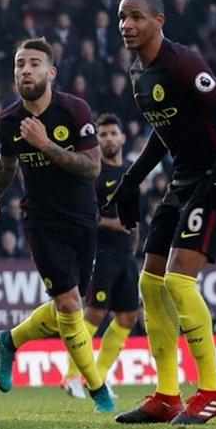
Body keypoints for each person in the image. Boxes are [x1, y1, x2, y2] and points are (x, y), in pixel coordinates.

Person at [109, 0, 216, 425]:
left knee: (179, 280)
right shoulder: (138, 72)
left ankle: (214, 392)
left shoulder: (183, 62)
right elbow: (165, 132)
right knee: (151, 284)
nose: (127, 25)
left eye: (136, 17)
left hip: (215, 178)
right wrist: (131, 180)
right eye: (122, 17)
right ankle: (166, 396)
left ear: (159, 21)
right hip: (182, 181)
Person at [0, 39, 115, 413]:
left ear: (51, 72)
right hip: (42, 220)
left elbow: (92, 168)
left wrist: (47, 144)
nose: (25, 70)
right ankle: (98, 390)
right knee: (69, 304)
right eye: (20, 64)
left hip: (83, 218)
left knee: (69, 309)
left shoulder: (74, 109)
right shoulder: (7, 120)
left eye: (34, 64)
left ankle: (9, 341)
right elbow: (6, 165)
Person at [61, 114, 141, 399]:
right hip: (102, 252)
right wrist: (113, 224)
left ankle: (100, 376)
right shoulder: (94, 173)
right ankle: (71, 376)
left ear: (122, 138)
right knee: (94, 313)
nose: (107, 139)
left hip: (126, 254)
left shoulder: (131, 172)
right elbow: (86, 215)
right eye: (102, 135)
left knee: (128, 317)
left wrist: (135, 235)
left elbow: (134, 212)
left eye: (112, 134)